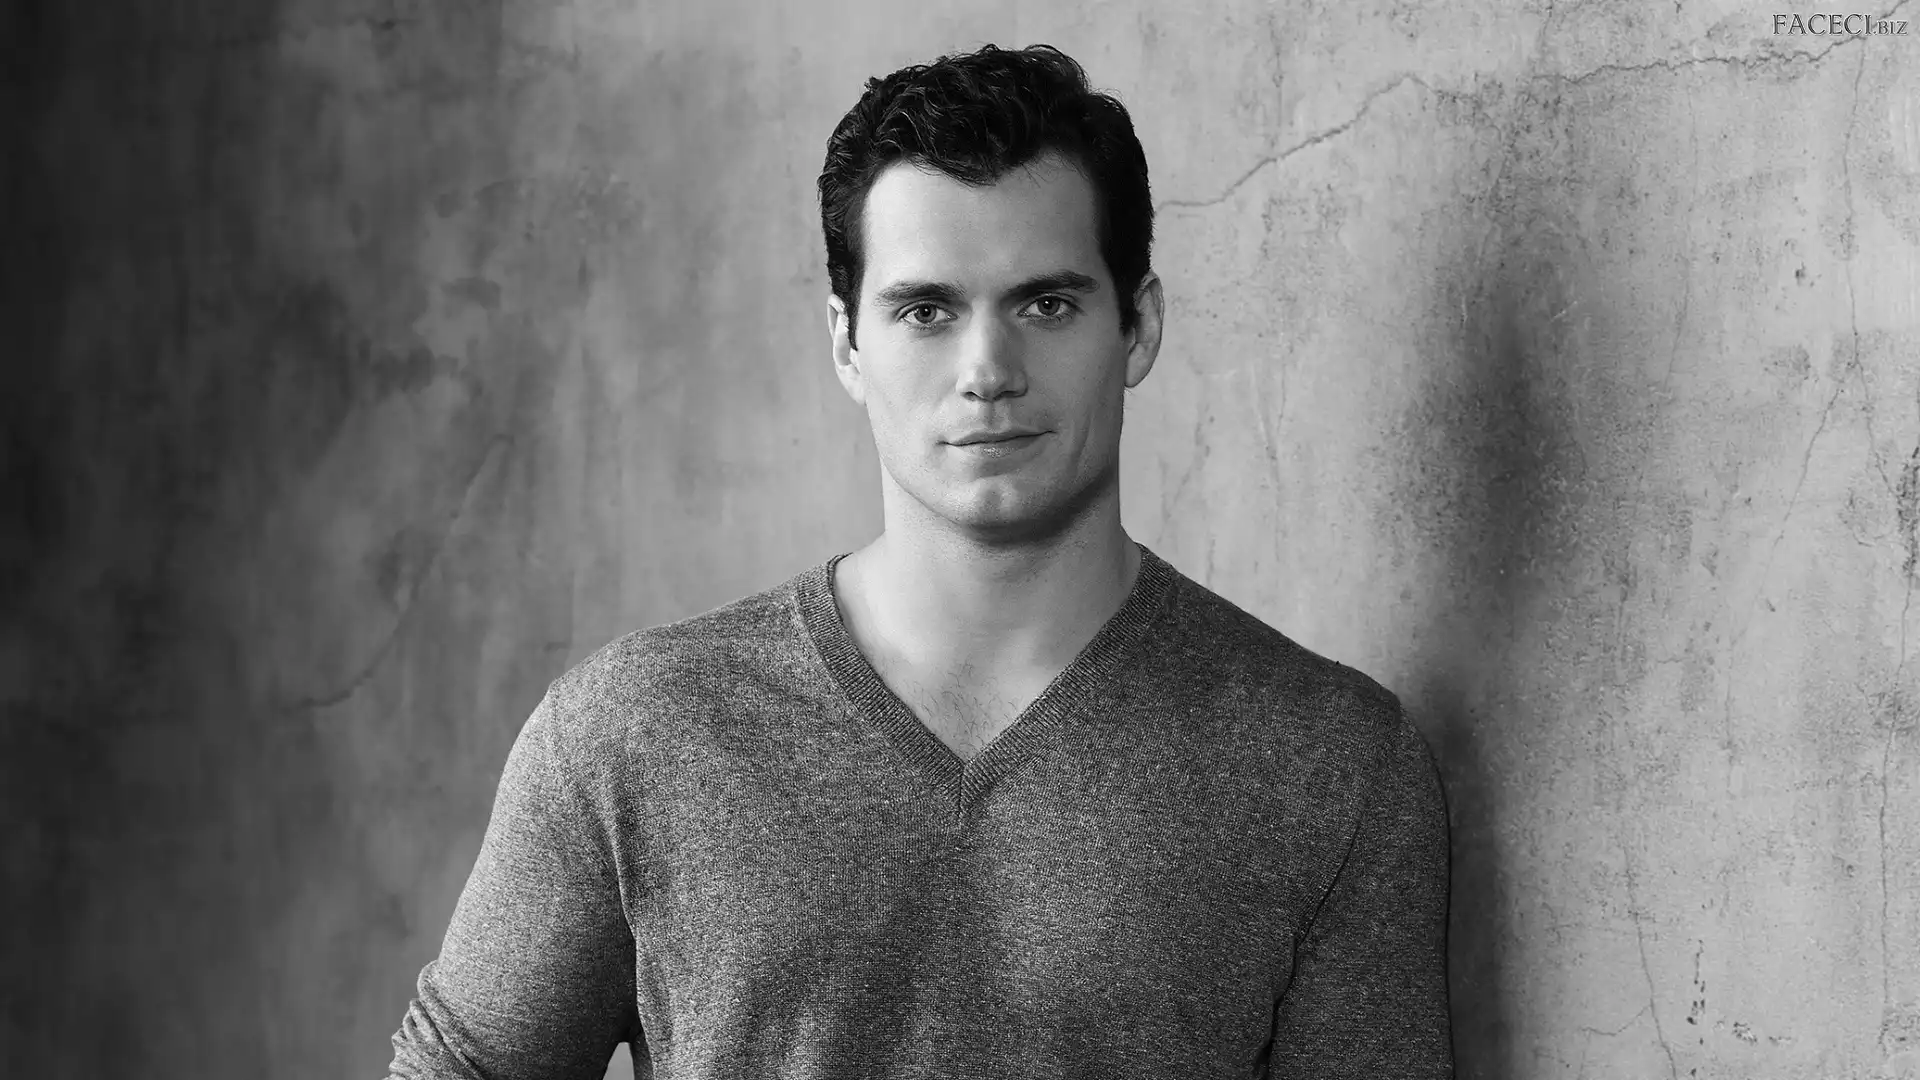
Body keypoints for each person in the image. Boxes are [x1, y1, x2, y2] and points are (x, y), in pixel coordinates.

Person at [387, 42, 1453, 1080]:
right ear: (847, 342)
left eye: (1047, 304)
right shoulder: (631, 735)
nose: (988, 370)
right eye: (926, 311)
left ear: (1137, 327)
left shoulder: (1329, 764)